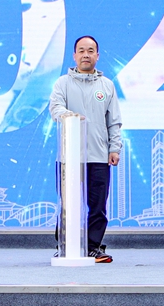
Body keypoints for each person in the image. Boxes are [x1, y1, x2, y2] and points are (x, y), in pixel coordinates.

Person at [49, 35, 121, 263]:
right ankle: (65, 245)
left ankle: (93, 247)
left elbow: (114, 121)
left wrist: (114, 148)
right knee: (68, 205)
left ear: (97, 56)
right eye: (81, 51)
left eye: (90, 51)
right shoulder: (63, 83)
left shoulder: (107, 85)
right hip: (69, 157)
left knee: (97, 206)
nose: (86, 55)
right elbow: (55, 108)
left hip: (98, 156)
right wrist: (69, 116)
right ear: (74, 55)